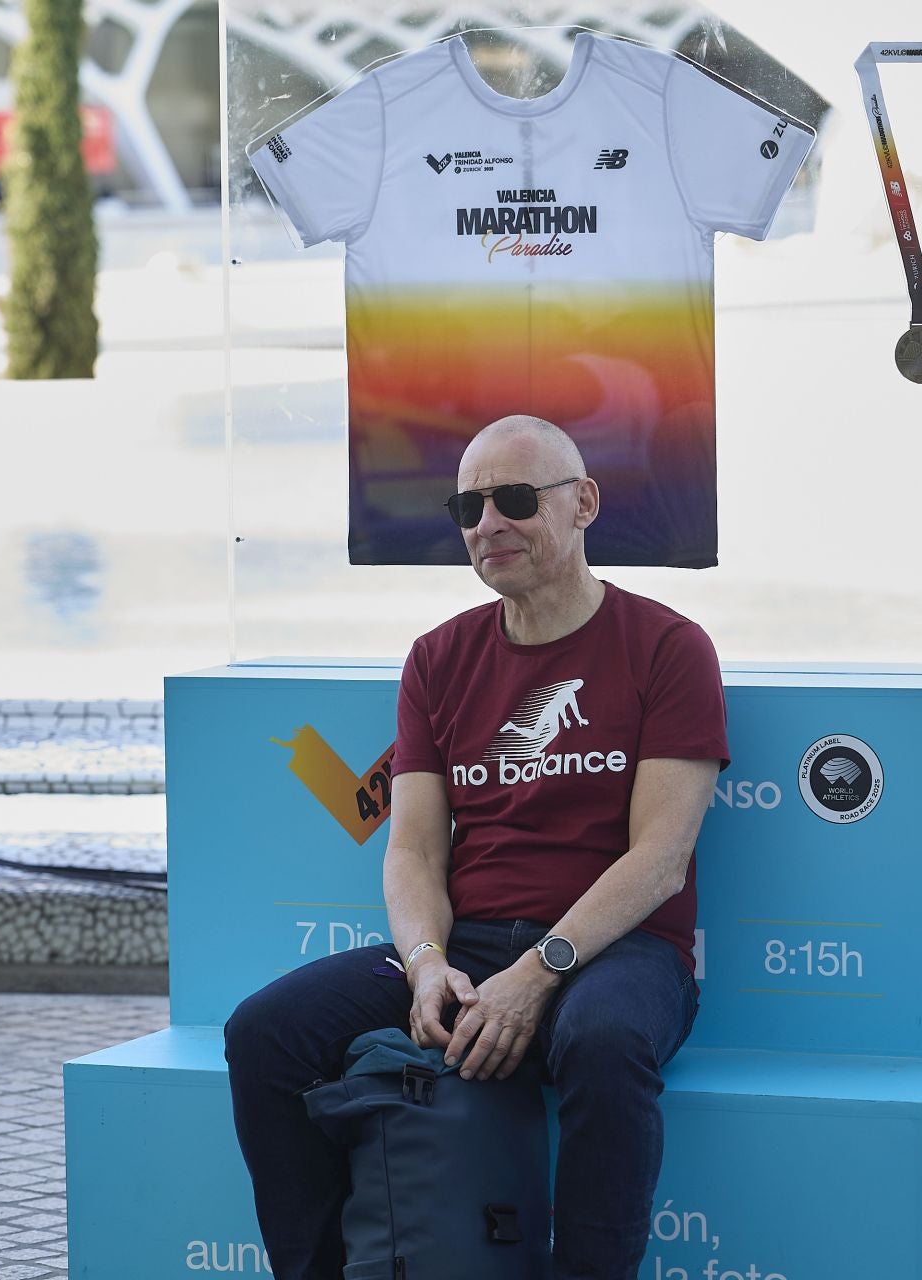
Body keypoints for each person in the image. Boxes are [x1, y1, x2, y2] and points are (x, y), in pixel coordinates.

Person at [225, 414, 729, 1280]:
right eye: (469, 505)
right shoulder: (438, 658)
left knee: (603, 1042)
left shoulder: (668, 647)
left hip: (620, 950)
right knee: (265, 1032)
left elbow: (659, 859)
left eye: (516, 499)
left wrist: (537, 975)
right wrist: (426, 964)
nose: (488, 523)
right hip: (472, 944)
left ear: (584, 506)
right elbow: (415, 852)